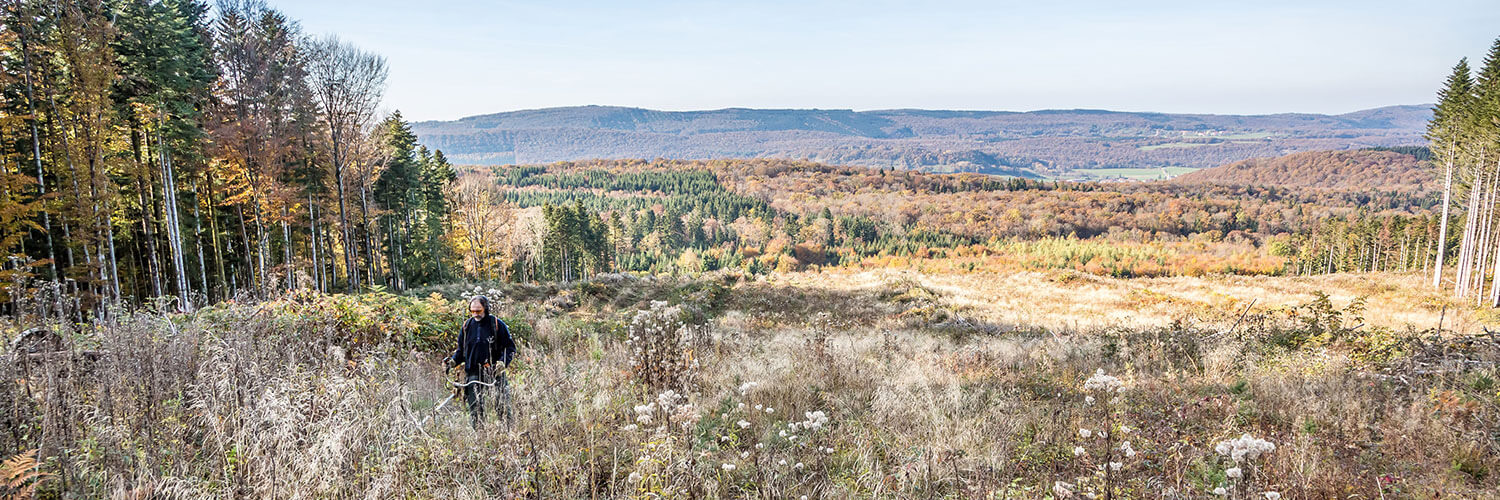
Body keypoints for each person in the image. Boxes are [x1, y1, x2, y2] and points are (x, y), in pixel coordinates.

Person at [444, 295, 516, 428]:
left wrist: (502, 362)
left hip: (494, 372)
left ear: (486, 309)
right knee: (475, 409)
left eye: (478, 311)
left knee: (503, 405)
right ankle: (480, 437)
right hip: (473, 373)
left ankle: (508, 434)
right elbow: (461, 351)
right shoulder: (467, 326)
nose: (475, 314)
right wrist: (453, 362)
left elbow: (510, 347)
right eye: (472, 311)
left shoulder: (497, 324)